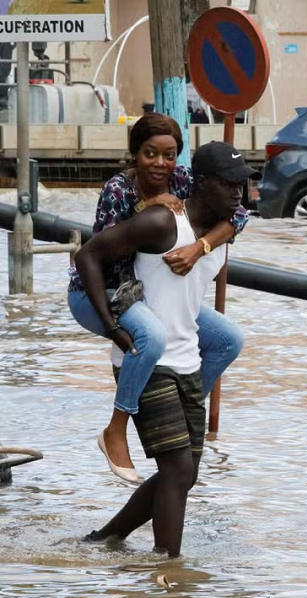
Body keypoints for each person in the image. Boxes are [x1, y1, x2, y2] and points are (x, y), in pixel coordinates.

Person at [77, 142, 257, 557]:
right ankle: (168, 572)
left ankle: (105, 539)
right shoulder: (161, 222)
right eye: (228, 185)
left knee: (186, 472)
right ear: (202, 183)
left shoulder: (220, 232)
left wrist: (207, 245)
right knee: (176, 468)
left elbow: (237, 220)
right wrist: (110, 324)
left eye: (241, 185)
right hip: (146, 357)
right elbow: (89, 253)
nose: (237, 193)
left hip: (187, 360)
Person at [67, 114, 248, 484]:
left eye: (170, 155)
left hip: (147, 293)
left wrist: (200, 248)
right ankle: (116, 429)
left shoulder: (182, 180)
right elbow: (97, 259)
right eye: (151, 154)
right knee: (151, 336)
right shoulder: (118, 190)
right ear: (135, 154)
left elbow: (239, 215)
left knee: (228, 339)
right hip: (99, 292)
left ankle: (183, 401)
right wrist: (113, 324)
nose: (160, 164)